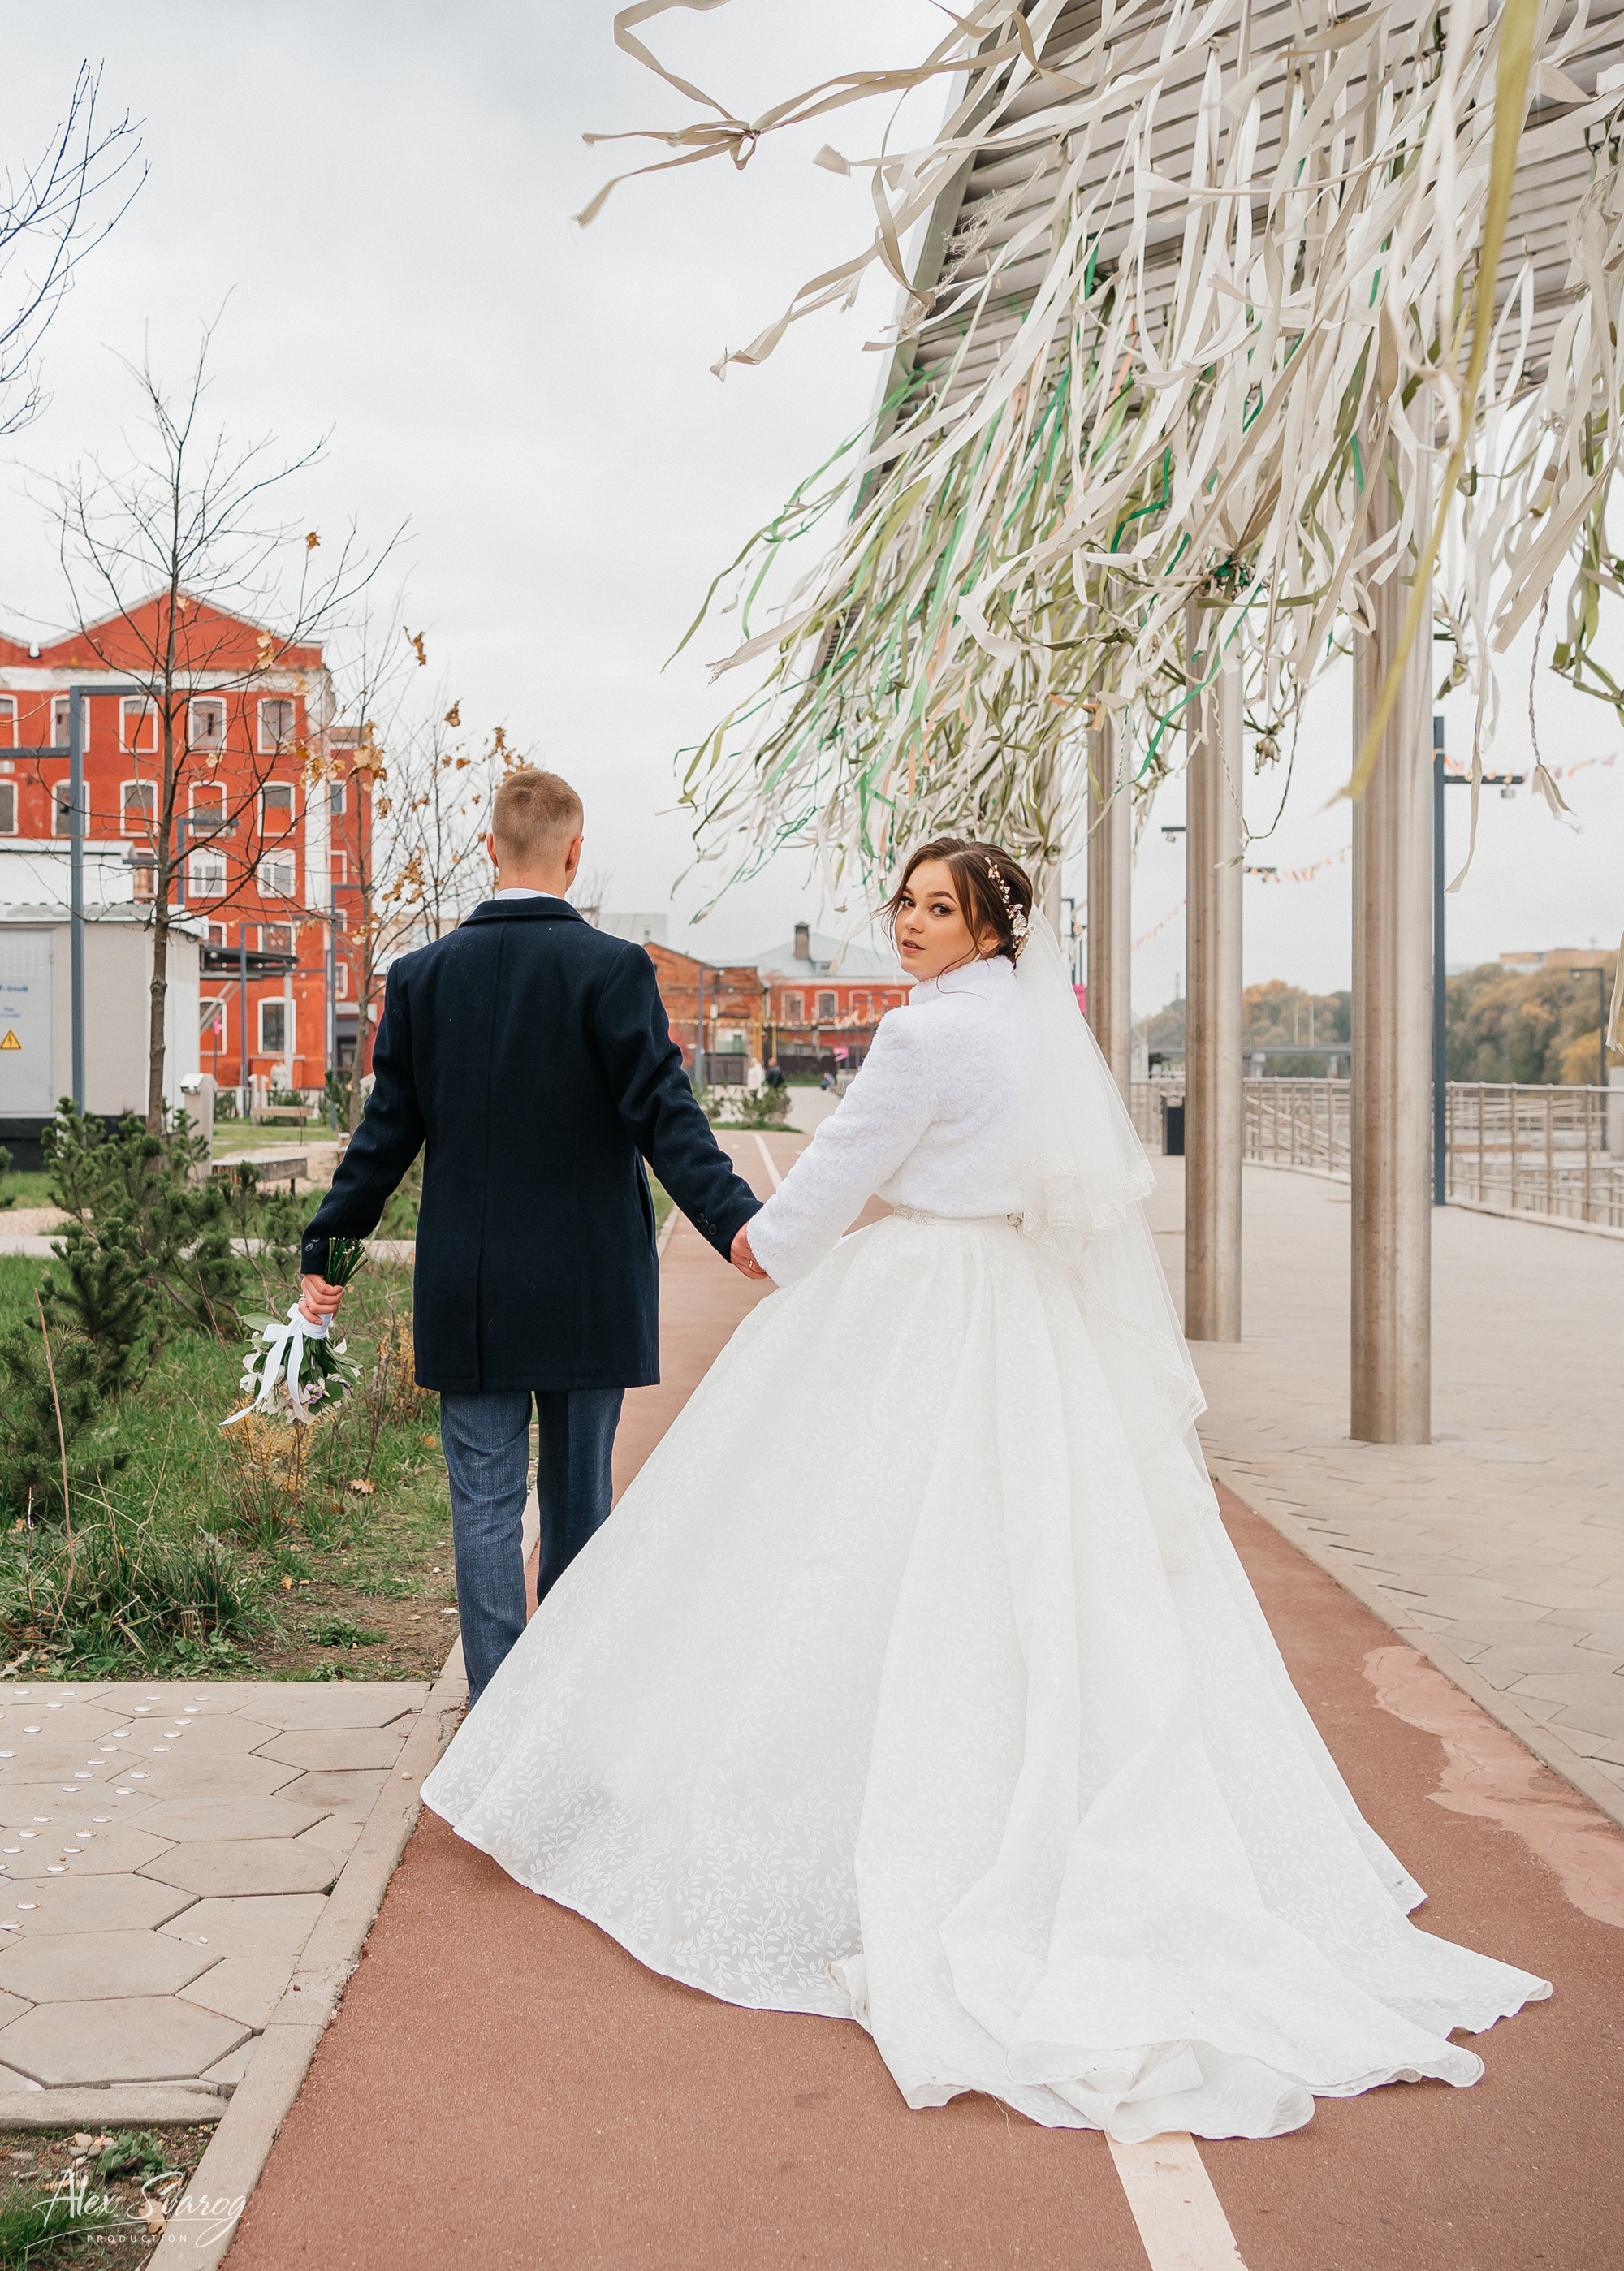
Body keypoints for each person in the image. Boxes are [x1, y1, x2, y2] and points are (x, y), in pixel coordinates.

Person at [419, 835, 1548, 2141]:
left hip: (922, 1301)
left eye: (936, 908)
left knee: (851, 1556)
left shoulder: (921, 1043)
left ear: (990, 924)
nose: (907, 923)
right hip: (1028, 1311)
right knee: (1046, 1574)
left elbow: (818, 1204)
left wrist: (751, 1237)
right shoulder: (1042, 1030)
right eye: (903, 901)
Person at [296, 766, 762, 1706]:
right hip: (590, 1283)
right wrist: (736, 1224)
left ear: (488, 850)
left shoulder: (421, 978)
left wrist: (327, 1255)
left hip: (472, 1293)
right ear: (574, 853)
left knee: (483, 1501)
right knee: (579, 1497)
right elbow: (663, 1117)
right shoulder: (612, 969)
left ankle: (497, 1713)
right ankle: (564, 1713)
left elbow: (384, 1136)